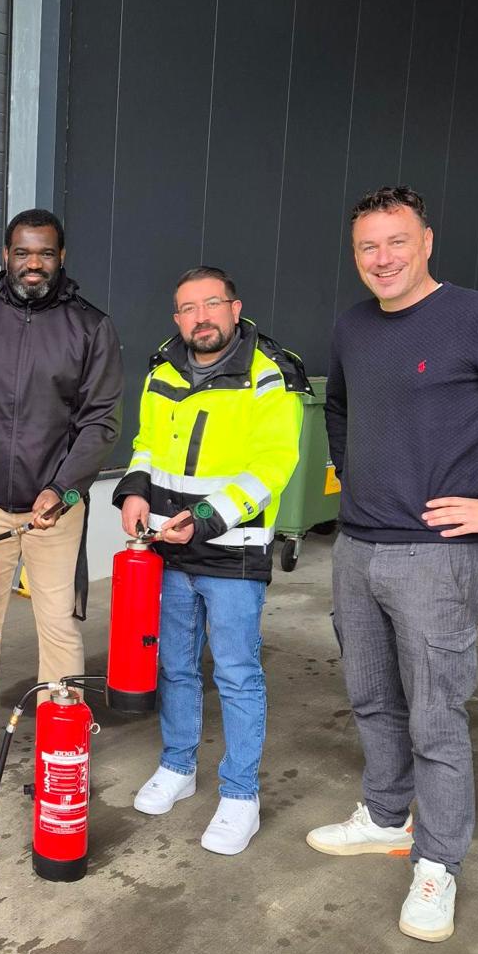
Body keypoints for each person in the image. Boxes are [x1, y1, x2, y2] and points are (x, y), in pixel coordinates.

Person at [307, 185, 478, 940]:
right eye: (367, 246)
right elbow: (338, 406)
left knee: (437, 717)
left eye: (397, 242)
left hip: (435, 559)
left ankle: (438, 863)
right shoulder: (351, 327)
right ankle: (386, 817)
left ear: (427, 241)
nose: (383, 259)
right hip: (357, 548)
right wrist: (350, 470)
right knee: (373, 698)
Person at [112, 268, 307, 855]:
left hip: (232, 551)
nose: (201, 316)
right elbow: (145, 441)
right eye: (188, 307)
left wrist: (206, 518)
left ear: (234, 307)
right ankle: (178, 766)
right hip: (168, 551)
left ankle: (240, 795)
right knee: (173, 666)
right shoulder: (161, 371)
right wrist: (135, 490)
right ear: (177, 317)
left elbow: (274, 465)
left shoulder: (269, 375)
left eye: (212, 304)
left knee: (236, 674)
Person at [0, 208, 123, 793]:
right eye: (22, 252)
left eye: (44, 253)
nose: (32, 264)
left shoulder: (91, 327)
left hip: (54, 508)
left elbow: (101, 421)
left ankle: (60, 739)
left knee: (56, 621)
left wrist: (63, 489)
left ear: (61, 257)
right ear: (6, 254)